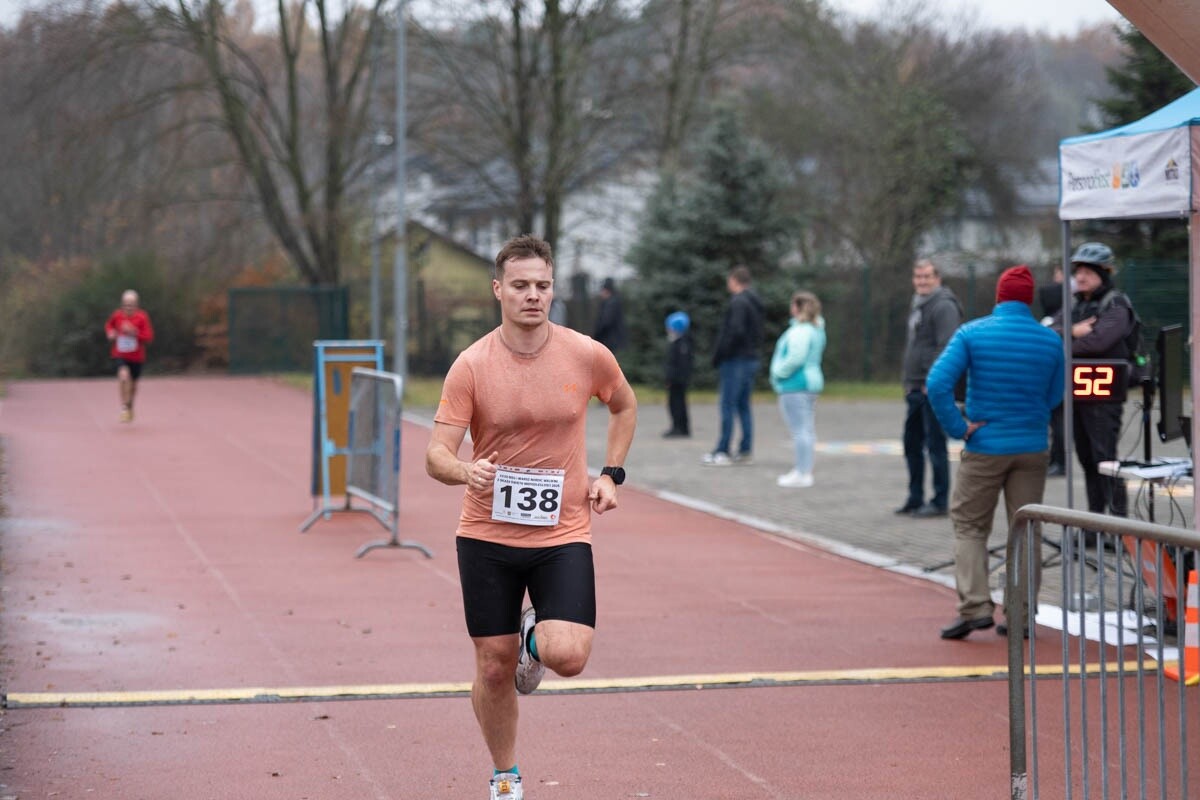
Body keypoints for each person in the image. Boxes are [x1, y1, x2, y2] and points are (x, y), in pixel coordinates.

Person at [425, 234, 637, 800]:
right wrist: (463, 471)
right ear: (499, 290)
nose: (533, 295)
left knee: (567, 655)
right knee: (494, 669)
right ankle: (505, 776)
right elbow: (436, 455)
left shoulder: (586, 354)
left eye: (542, 286)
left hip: (562, 531)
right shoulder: (471, 365)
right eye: (520, 285)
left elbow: (623, 404)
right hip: (486, 534)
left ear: (553, 291)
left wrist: (610, 475)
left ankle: (531, 637)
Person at [926, 265, 1064, 640]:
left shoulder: (972, 333)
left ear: (999, 296)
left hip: (985, 445)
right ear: (1029, 298)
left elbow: (937, 383)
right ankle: (1020, 616)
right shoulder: (1051, 340)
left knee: (970, 526)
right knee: (1025, 529)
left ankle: (975, 607)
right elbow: (1055, 396)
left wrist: (959, 428)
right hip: (1033, 446)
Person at [1051, 242, 1137, 540]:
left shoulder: (1116, 305)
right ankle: (1094, 527)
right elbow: (1049, 331)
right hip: (1075, 393)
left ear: (1104, 273)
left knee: (1105, 460)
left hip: (1104, 395)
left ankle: (1119, 529)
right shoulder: (1074, 304)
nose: (1082, 277)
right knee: (1087, 460)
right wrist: (1072, 332)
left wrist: (1064, 342)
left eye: (1088, 271)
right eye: (1078, 272)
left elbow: (1099, 343)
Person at [897, 259, 963, 517]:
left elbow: (945, 345)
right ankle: (914, 497)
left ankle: (939, 500)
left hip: (931, 388)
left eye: (927, 277)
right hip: (913, 387)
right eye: (918, 277)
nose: (922, 281)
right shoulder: (918, 304)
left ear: (938, 278)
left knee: (935, 445)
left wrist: (932, 381)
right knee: (911, 443)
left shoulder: (944, 305)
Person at [702, 265, 765, 466]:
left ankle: (723, 451)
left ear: (735, 280)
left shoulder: (738, 302)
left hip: (735, 360)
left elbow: (735, 332)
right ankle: (745, 450)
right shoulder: (756, 302)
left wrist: (720, 354)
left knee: (727, 404)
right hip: (751, 358)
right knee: (743, 405)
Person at [769, 291, 827, 488]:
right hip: (809, 384)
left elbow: (796, 357)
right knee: (807, 430)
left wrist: (778, 372)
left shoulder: (800, 331)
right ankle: (804, 470)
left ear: (798, 307)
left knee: (800, 431)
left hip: (796, 385)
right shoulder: (816, 329)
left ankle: (802, 472)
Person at [104, 289, 155, 423]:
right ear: (122, 304)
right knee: (123, 376)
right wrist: (110, 333)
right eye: (126, 304)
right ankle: (124, 408)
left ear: (137, 305)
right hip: (120, 354)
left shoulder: (142, 317)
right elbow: (109, 325)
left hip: (137, 357)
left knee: (133, 386)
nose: (128, 307)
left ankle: (130, 404)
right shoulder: (117, 315)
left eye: (131, 304)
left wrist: (134, 332)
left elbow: (149, 337)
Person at [1037, 267, 1068, 476]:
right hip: (1059, 377)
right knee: (1058, 423)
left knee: (1057, 423)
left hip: (1054, 379)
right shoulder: (1061, 323)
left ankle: (1059, 461)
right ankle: (1057, 460)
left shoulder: (1049, 324)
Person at [663, 310, 694, 438]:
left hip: (678, 380)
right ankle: (680, 427)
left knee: (676, 403)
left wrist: (670, 378)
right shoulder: (681, 342)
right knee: (677, 402)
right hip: (678, 379)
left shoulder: (681, 344)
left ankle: (679, 427)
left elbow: (679, 364)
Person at [592, 277, 627, 353]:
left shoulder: (610, 304)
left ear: (606, 290)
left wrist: (596, 335)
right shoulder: (614, 301)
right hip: (614, 341)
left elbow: (605, 322)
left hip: (610, 342)